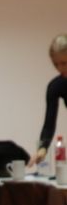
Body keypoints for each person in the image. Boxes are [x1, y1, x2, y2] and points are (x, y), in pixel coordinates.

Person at [30, 33, 67, 166]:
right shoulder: (56, 86)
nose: (60, 69)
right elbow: (49, 124)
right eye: (56, 64)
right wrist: (43, 148)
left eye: (64, 63)